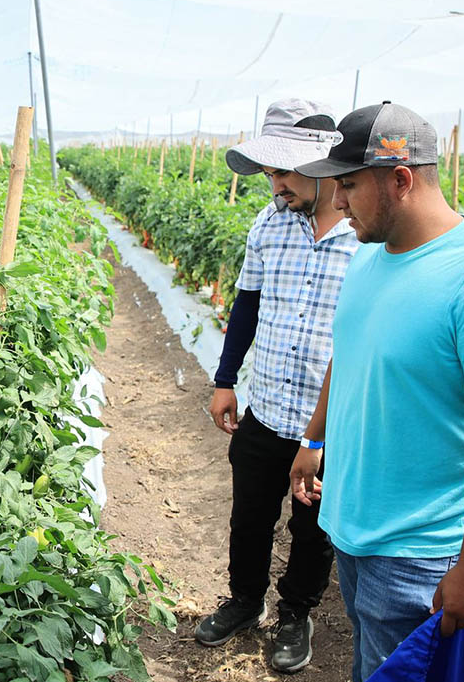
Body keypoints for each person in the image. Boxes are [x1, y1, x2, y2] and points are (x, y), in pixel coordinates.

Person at [288, 101, 464, 682]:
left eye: (348, 185)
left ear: (400, 180)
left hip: (423, 555)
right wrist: (314, 439)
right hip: (354, 530)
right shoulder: (369, 258)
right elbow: (348, 355)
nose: (337, 202)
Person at [195, 99, 360, 673]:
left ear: (321, 167)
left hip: (328, 419)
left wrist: (320, 436)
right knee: (249, 514)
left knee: (313, 527)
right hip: (266, 405)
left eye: (284, 172)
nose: (276, 185)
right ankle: (245, 600)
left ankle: (296, 613)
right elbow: (247, 305)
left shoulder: (365, 236)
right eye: (269, 173)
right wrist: (224, 381)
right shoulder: (268, 223)